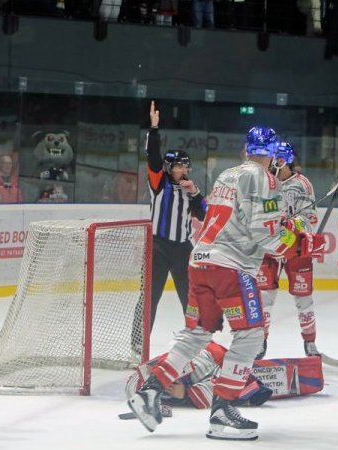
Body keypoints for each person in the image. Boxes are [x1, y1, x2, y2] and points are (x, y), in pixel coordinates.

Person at [127, 126, 323, 440]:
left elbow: (242, 219)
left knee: (197, 333)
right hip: (229, 267)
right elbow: (264, 232)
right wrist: (298, 244)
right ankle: (223, 411)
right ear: (271, 154)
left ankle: (150, 391)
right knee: (251, 336)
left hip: (200, 259)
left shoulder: (226, 175)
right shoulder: (267, 179)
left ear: (246, 151)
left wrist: (286, 227)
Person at [142, 101, 207, 331]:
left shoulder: (190, 188)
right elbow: (152, 155)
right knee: (149, 299)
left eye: (186, 167)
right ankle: (138, 346)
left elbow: (205, 215)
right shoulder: (159, 182)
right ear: (169, 167)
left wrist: (196, 193)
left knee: (192, 300)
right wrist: (154, 129)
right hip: (158, 247)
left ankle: (196, 341)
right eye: (179, 166)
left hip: (183, 249)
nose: (184, 170)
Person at [256, 142, 320, 359]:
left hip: (296, 249)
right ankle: (259, 342)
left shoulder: (302, 184)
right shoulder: (263, 181)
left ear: (282, 160)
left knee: (304, 298)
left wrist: (293, 224)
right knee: (264, 297)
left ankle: (310, 343)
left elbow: (310, 219)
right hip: (268, 247)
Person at [125, 341, 273, 412]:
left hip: (211, 357)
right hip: (206, 353)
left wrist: (186, 395)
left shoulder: (214, 361)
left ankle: (152, 390)